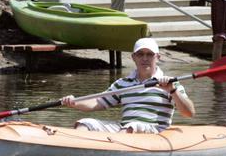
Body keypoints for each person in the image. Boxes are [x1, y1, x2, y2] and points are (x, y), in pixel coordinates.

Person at [60, 38, 196, 133]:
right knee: (85, 123)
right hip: (125, 129)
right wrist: (74, 102)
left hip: (155, 131)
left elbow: (189, 113)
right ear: (133, 57)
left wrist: (172, 91)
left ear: (157, 57)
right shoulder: (123, 84)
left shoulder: (170, 83)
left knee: (133, 125)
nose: (145, 58)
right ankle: (78, 151)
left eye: (150, 54)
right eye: (140, 54)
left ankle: (111, 153)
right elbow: (98, 102)